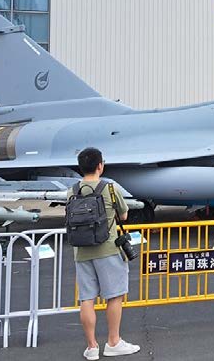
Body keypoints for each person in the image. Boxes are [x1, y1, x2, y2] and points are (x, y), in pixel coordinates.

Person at [69, 147, 140, 360]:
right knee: (114, 296)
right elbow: (124, 214)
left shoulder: (72, 190)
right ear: (100, 165)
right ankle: (113, 342)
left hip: (81, 251)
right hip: (108, 249)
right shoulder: (109, 188)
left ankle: (91, 347)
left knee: (87, 299)